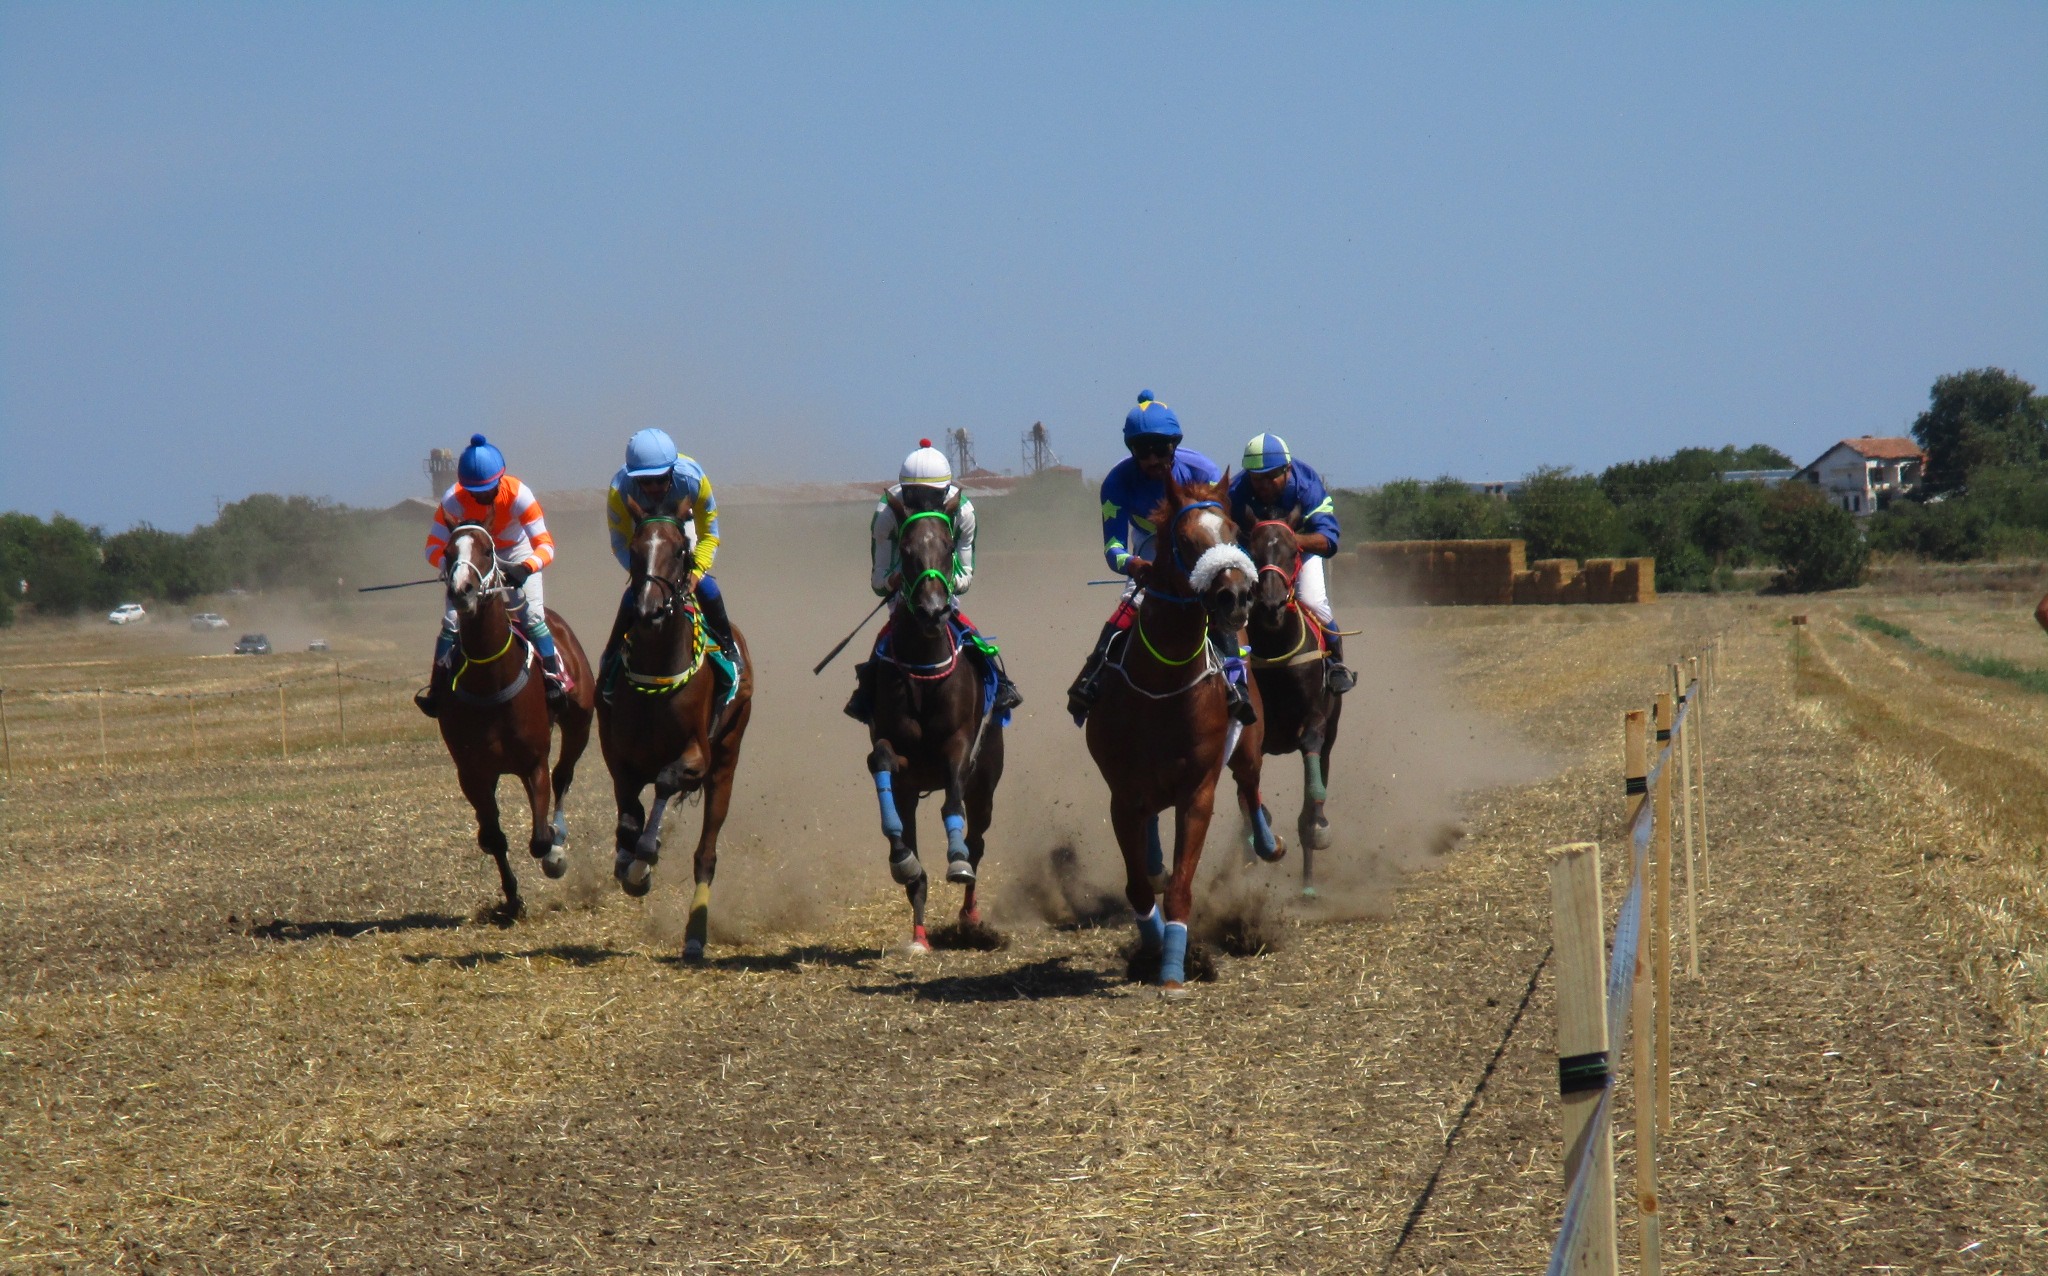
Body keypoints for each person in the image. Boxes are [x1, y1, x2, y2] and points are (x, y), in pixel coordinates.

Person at [1065, 391, 1256, 727]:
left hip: (1200, 544)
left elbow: (1221, 533)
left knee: (1214, 600)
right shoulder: (1116, 482)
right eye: (1143, 450)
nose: (1153, 458)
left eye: (1162, 449)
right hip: (1151, 543)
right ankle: (1091, 675)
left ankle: (1235, 683)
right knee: (1131, 602)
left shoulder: (1203, 470)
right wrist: (1135, 565)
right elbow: (1113, 547)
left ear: (1175, 445)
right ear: (1131, 450)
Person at [844, 440, 1023, 723]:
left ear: (945, 493)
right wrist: (901, 579)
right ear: (904, 492)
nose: (923, 506)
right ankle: (866, 691)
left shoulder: (962, 512)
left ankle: (1000, 682)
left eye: (931, 497)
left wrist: (936, 582)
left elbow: (964, 577)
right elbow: (878, 580)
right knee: (890, 636)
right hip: (905, 590)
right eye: (915, 498)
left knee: (960, 625)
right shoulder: (887, 513)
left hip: (942, 586)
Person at [416, 433, 570, 717]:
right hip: (472, 559)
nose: (483, 496)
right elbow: (432, 547)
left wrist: (527, 567)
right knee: (451, 619)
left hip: (516, 552)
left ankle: (553, 678)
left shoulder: (519, 494)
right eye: (476, 493)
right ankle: (436, 689)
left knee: (532, 615)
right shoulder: (453, 500)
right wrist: (450, 566)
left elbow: (545, 545)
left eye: (489, 489)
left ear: (501, 478)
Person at [597, 428, 737, 698]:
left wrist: (694, 573)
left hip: (682, 533)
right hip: (647, 542)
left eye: (660, 480)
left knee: (708, 589)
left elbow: (710, 534)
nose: (653, 489)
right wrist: (647, 575)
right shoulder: (619, 490)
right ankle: (612, 655)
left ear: (672, 471)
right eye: (645, 482)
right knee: (633, 597)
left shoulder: (693, 479)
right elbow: (620, 541)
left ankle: (728, 648)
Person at [1229, 433, 1357, 694]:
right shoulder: (1236, 491)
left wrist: (1289, 540)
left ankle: (1335, 665)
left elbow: (1329, 540)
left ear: (1287, 470)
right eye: (1256, 478)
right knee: (1232, 606)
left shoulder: (1307, 485)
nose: (1262, 485)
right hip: (1253, 554)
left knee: (1312, 600)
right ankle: (1228, 670)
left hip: (1298, 551)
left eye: (1270, 477)